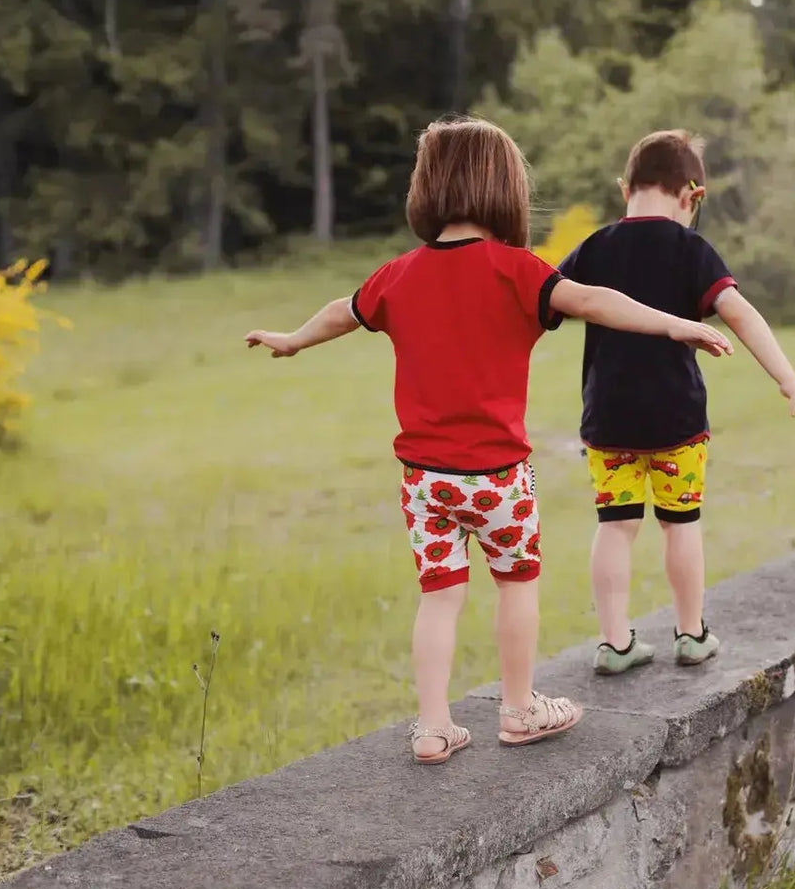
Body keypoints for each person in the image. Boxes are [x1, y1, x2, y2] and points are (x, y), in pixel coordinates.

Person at [243, 118, 733, 765]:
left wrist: (292, 338)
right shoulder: (514, 271)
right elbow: (594, 300)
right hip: (498, 479)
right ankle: (520, 707)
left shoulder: (399, 274)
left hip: (424, 480)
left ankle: (431, 726)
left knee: (439, 595)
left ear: (426, 189)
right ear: (506, 189)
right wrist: (676, 326)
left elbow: (344, 309)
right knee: (515, 583)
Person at [556, 129, 795, 676]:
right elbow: (740, 313)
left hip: (607, 420)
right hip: (677, 421)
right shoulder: (691, 249)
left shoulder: (595, 246)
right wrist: (788, 379)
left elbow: (540, 300)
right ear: (692, 195)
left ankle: (614, 643)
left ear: (624, 187)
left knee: (615, 526)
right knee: (680, 524)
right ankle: (691, 634)